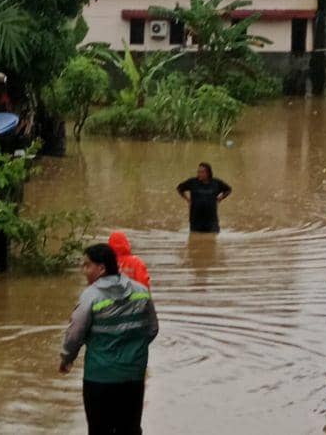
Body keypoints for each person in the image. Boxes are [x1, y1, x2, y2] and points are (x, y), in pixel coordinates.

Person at [60, 243, 158, 435]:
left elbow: (74, 334)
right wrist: (132, 351)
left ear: (101, 268)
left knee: (99, 429)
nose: (84, 270)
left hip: (99, 378)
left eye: (87, 265)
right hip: (133, 376)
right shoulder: (140, 291)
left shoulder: (91, 296)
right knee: (130, 429)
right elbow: (152, 329)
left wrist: (67, 359)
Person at [176, 162, 232, 233]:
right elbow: (179, 188)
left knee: (212, 240)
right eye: (198, 172)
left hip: (212, 221)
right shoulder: (192, 182)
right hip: (195, 220)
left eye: (202, 172)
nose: (199, 174)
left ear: (208, 173)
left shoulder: (216, 183)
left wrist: (220, 198)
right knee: (195, 241)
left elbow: (228, 189)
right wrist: (188, 200)